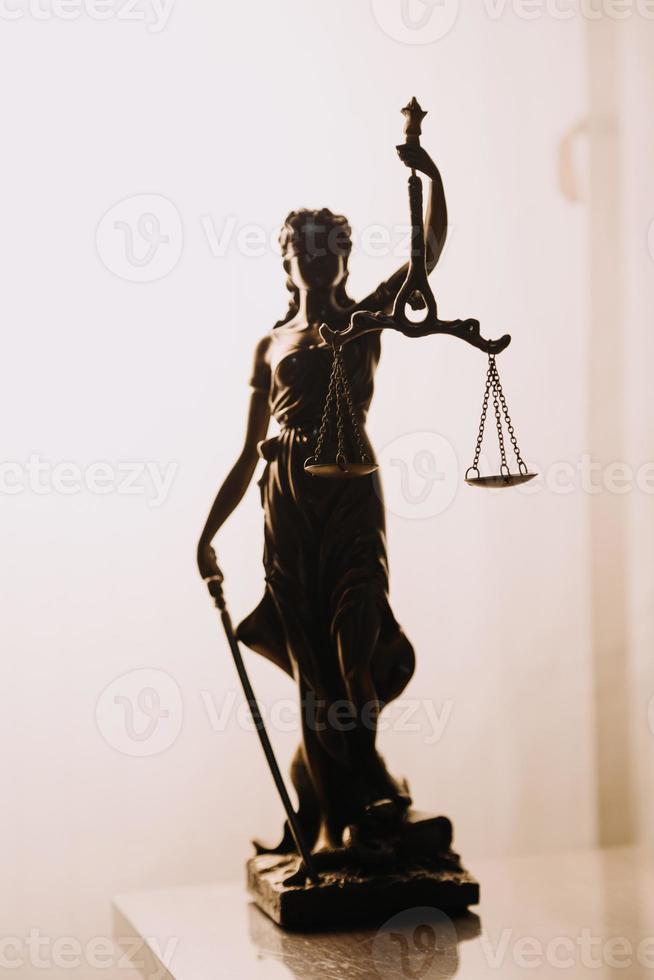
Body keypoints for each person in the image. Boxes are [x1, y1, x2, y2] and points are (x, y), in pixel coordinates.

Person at [198, 143, 448, 852]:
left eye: (326, 248)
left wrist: (429, 175)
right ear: (285, 261)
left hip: (349, 499)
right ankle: (342, 812)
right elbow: (248, 452)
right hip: (285, 509)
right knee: (312, 671)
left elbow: (427, 251)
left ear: (343, 257)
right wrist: (207, 533)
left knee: (354, 650)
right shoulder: (271, 344)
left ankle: (364, 792)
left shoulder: (364, 320)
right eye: (300, 249)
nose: (313, 259)